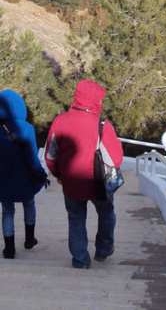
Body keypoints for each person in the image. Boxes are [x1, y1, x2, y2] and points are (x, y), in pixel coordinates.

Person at [44, 79, 123, 269]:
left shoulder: (60, 121)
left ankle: (80, 260)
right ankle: (103, 250)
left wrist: (58, 175)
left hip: (71, 182)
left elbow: (50, 155)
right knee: (106, 214)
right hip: (98, 183)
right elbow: (115, 160)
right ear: (95, 100)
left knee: (76, 219)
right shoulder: (102, 126)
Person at [0, 89, 49, 259]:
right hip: (22, 177)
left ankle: (9, 249)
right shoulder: (27, 128)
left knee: (7, 210)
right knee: (29, 203)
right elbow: (32, 157)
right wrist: (40, 175)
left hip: (1, 177)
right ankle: (29, 239)